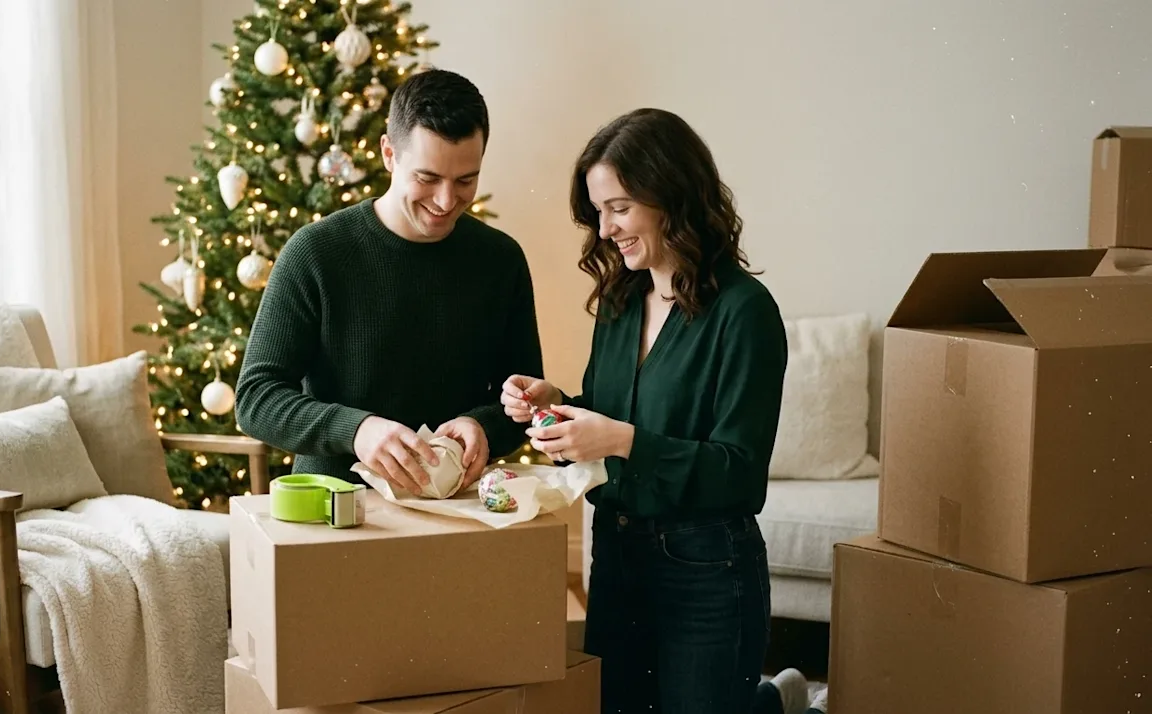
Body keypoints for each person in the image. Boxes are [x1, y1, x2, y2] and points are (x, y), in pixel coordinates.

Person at [501, 107, 798, 714]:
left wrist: (622, 442)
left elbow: (740, 471)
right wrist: (556, 405)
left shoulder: (744, 313)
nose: (606, 229)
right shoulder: (620, 300)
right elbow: (611, 416)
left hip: (706, 568)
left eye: (620, 208)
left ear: (671, 197)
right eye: (599, 212)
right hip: (614, 554)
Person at [236, 69, 543, 495]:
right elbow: (256, 399)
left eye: (466, 180)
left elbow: (526, 400)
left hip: (457, 512)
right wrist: (357, 429)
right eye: (427, 178)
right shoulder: (315, 252)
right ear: (388, 154)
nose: (446, 201)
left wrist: (484, 426)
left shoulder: (501, 260)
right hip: (335, 509)